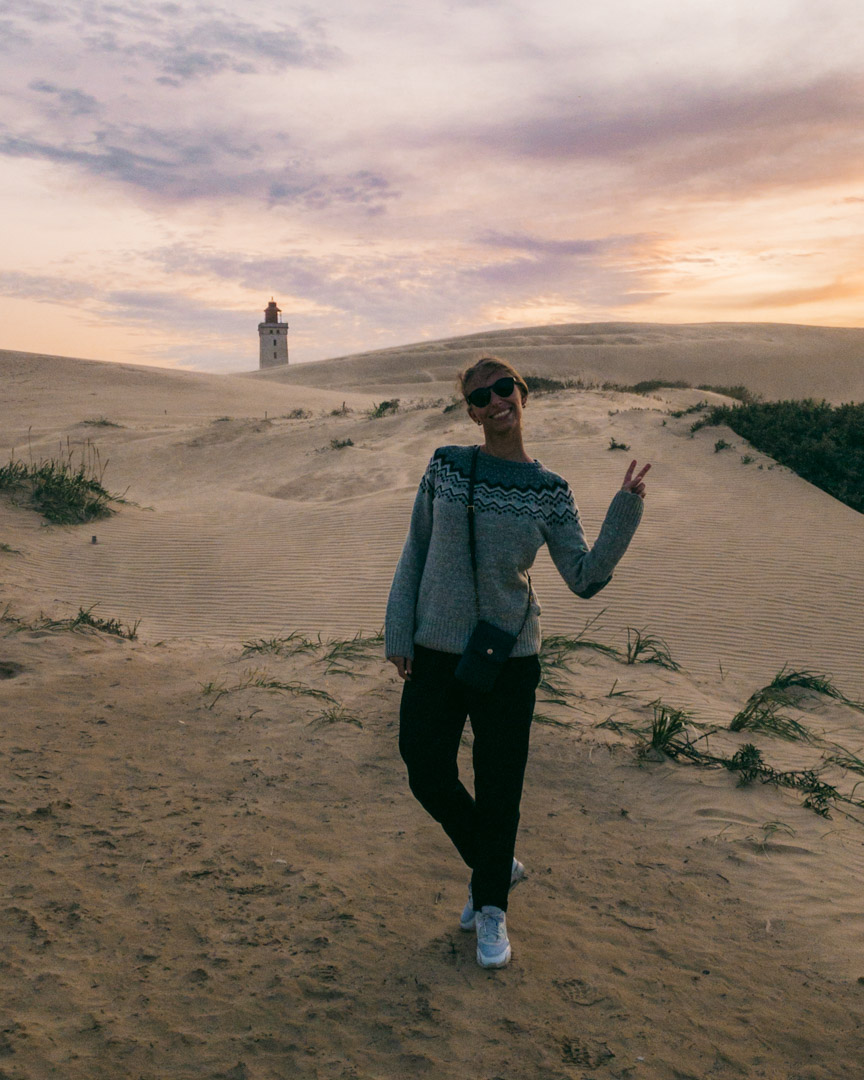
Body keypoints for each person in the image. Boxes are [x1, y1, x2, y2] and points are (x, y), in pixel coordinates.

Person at [385, 357, 649, 968]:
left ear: (521, 393)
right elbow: (415, 549)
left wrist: (624, 512)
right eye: (481, 397)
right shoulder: (447, 467)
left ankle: (491, 907)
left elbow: (582, 577)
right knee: (424, 765)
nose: (495, 402)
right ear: (471, 412)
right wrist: (399, 628)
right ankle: (495, 864)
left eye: (504, 388)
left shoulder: (550, 491)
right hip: (433, 649)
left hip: (510, 657)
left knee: (500, 784)